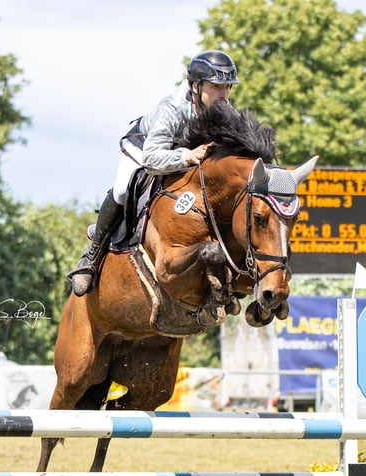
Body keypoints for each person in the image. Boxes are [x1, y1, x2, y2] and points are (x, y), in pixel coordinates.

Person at [67, 50, 241, 297]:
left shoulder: (225, 111)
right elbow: (151, 158)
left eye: (227, 87)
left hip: (186, 154)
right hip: (144, 149)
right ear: (195, 85)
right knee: (122, 190)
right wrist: (186, 157)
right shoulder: (171, 108)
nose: (224, 94)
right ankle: (92, 255)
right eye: (216, 86)